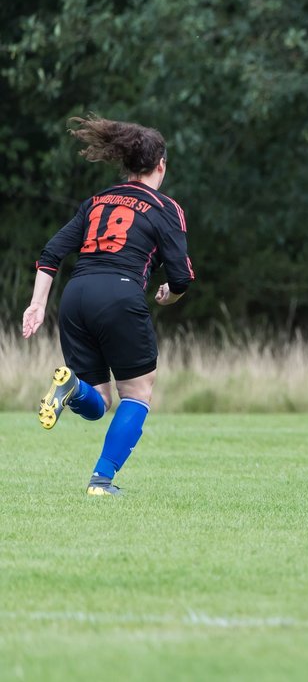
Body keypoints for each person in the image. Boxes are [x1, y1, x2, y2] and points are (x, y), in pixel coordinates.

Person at [22, 114, 194, 496]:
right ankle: (101, 481)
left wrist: (36, 305)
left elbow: (52, 253)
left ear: (126, 163)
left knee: (98, 400)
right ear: (160, 164)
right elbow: (181, 276)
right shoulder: (165, 208)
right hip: (119, 295)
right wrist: (171, 294)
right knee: (137, 393)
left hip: (76, 295)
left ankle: (70, 388)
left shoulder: (96, 201)